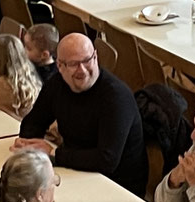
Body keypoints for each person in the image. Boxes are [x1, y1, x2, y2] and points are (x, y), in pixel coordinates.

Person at [17, 31, 149, 191]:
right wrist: (29, 144)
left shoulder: (116, 97)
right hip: (76, 171)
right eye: (73, 64)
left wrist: (54, 152)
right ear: (59, 66)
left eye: (87, 60)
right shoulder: (56, 85)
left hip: (117, 186)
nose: (82, 70)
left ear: (96, 57)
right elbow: (33, 123)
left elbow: (106, 160)